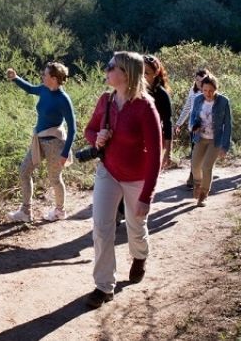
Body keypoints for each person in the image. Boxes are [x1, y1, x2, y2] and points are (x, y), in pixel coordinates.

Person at [83, 51, 162, 308]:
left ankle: (140, 255)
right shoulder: (105, 100)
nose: (106, 70)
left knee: (135, 228)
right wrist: (97, 137)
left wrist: (147, 196)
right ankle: (104, 286)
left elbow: (155, 156)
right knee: (101, 227)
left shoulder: (145, 107)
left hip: (136, 178)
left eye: (111, 66)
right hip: (108, 171)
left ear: (126, 73)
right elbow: (89, 130)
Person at [5, 62, 77, 222]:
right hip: (39, 141)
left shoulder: (63, 99)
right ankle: (26, 212)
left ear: (53, 78)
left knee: (55, 178)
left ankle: (59, 211)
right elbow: (31, 89)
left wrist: (65, 153)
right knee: (24, 171)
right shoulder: (44, 89)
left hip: (55, 144)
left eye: (45, 74)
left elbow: (73, 129)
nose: (42, 76)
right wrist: (15, 78)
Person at [116, 54, 174, 224]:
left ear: (155, 74)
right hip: (130, 142)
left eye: (146, 72)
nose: (142, 76)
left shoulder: (161, 95)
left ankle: (132, 211)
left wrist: (167, 151)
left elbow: (168, 124)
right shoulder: (130, 90)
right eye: (140, 71)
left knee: (140, 178)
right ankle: (120, 210)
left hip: (150, 143)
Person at [189, 73, 232, 207]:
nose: (208, 93)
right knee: (195, 165)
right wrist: (193, 126)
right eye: (205, 90)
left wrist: (225, 146)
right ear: (201, 89)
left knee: (206, 166)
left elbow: (228, 125)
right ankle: (198, 184)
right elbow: (193, 116)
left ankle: (203, 194)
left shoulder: (223, 102)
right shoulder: (198, 99)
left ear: (216, 89)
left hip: (215, 140)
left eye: (211, 90)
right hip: (200, 138)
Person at [174, 69, 210, 189]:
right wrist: (178, 123)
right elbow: (187, 107)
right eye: (197, 80)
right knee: (195, 152)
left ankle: (200, 177)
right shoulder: (193, 91)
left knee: (203, 153)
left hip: (207, 128)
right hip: (194, 127)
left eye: (202, 80)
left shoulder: (210, 90)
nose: (199, 82)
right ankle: (193, 176)